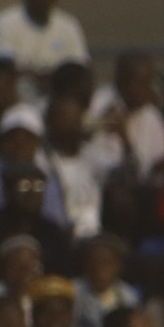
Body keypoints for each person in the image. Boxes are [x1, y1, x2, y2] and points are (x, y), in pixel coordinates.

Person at [0, 0, 90, 107]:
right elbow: (2, 70)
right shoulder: (5, 21)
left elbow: (78, 71)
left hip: (57, 104)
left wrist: (37, 75)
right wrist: (48, 76)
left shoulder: (69, 25)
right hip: (15, 103)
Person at [0, 164, 73, 292]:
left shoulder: (53, 233)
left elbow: (60, 276)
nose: (31, 194)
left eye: (38, 187)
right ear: (7, 191)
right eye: (24, 187)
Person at [85, 53, 164, 184]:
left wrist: (124, 136)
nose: (148, 89)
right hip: (96, 183)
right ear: (121, 81)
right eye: (141, 82)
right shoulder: (97, 103)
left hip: (136, 192)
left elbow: (144, 172)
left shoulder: (152, 116)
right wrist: (100, 123)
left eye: (149, 81)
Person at [40, 94, 103, 240]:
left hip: (93, 237)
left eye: (77, 117)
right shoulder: (40, 161)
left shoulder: (95, 156)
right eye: (65, 118)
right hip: (58, 237)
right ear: (49, 122)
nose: (73, 123)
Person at [73, 236, 140, 327]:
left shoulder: (127, 295)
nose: (99, 269)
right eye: (94, 262)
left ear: (118, 266)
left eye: (106, 263)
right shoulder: (74, 290)